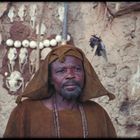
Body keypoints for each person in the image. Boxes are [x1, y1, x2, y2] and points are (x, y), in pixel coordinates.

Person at [3, 43, 117, 138]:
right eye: (61, 71)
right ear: (50, 78)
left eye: (77, 69)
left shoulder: (97, 113)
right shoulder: (25, 112)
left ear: (85, 75)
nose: (70, 76)